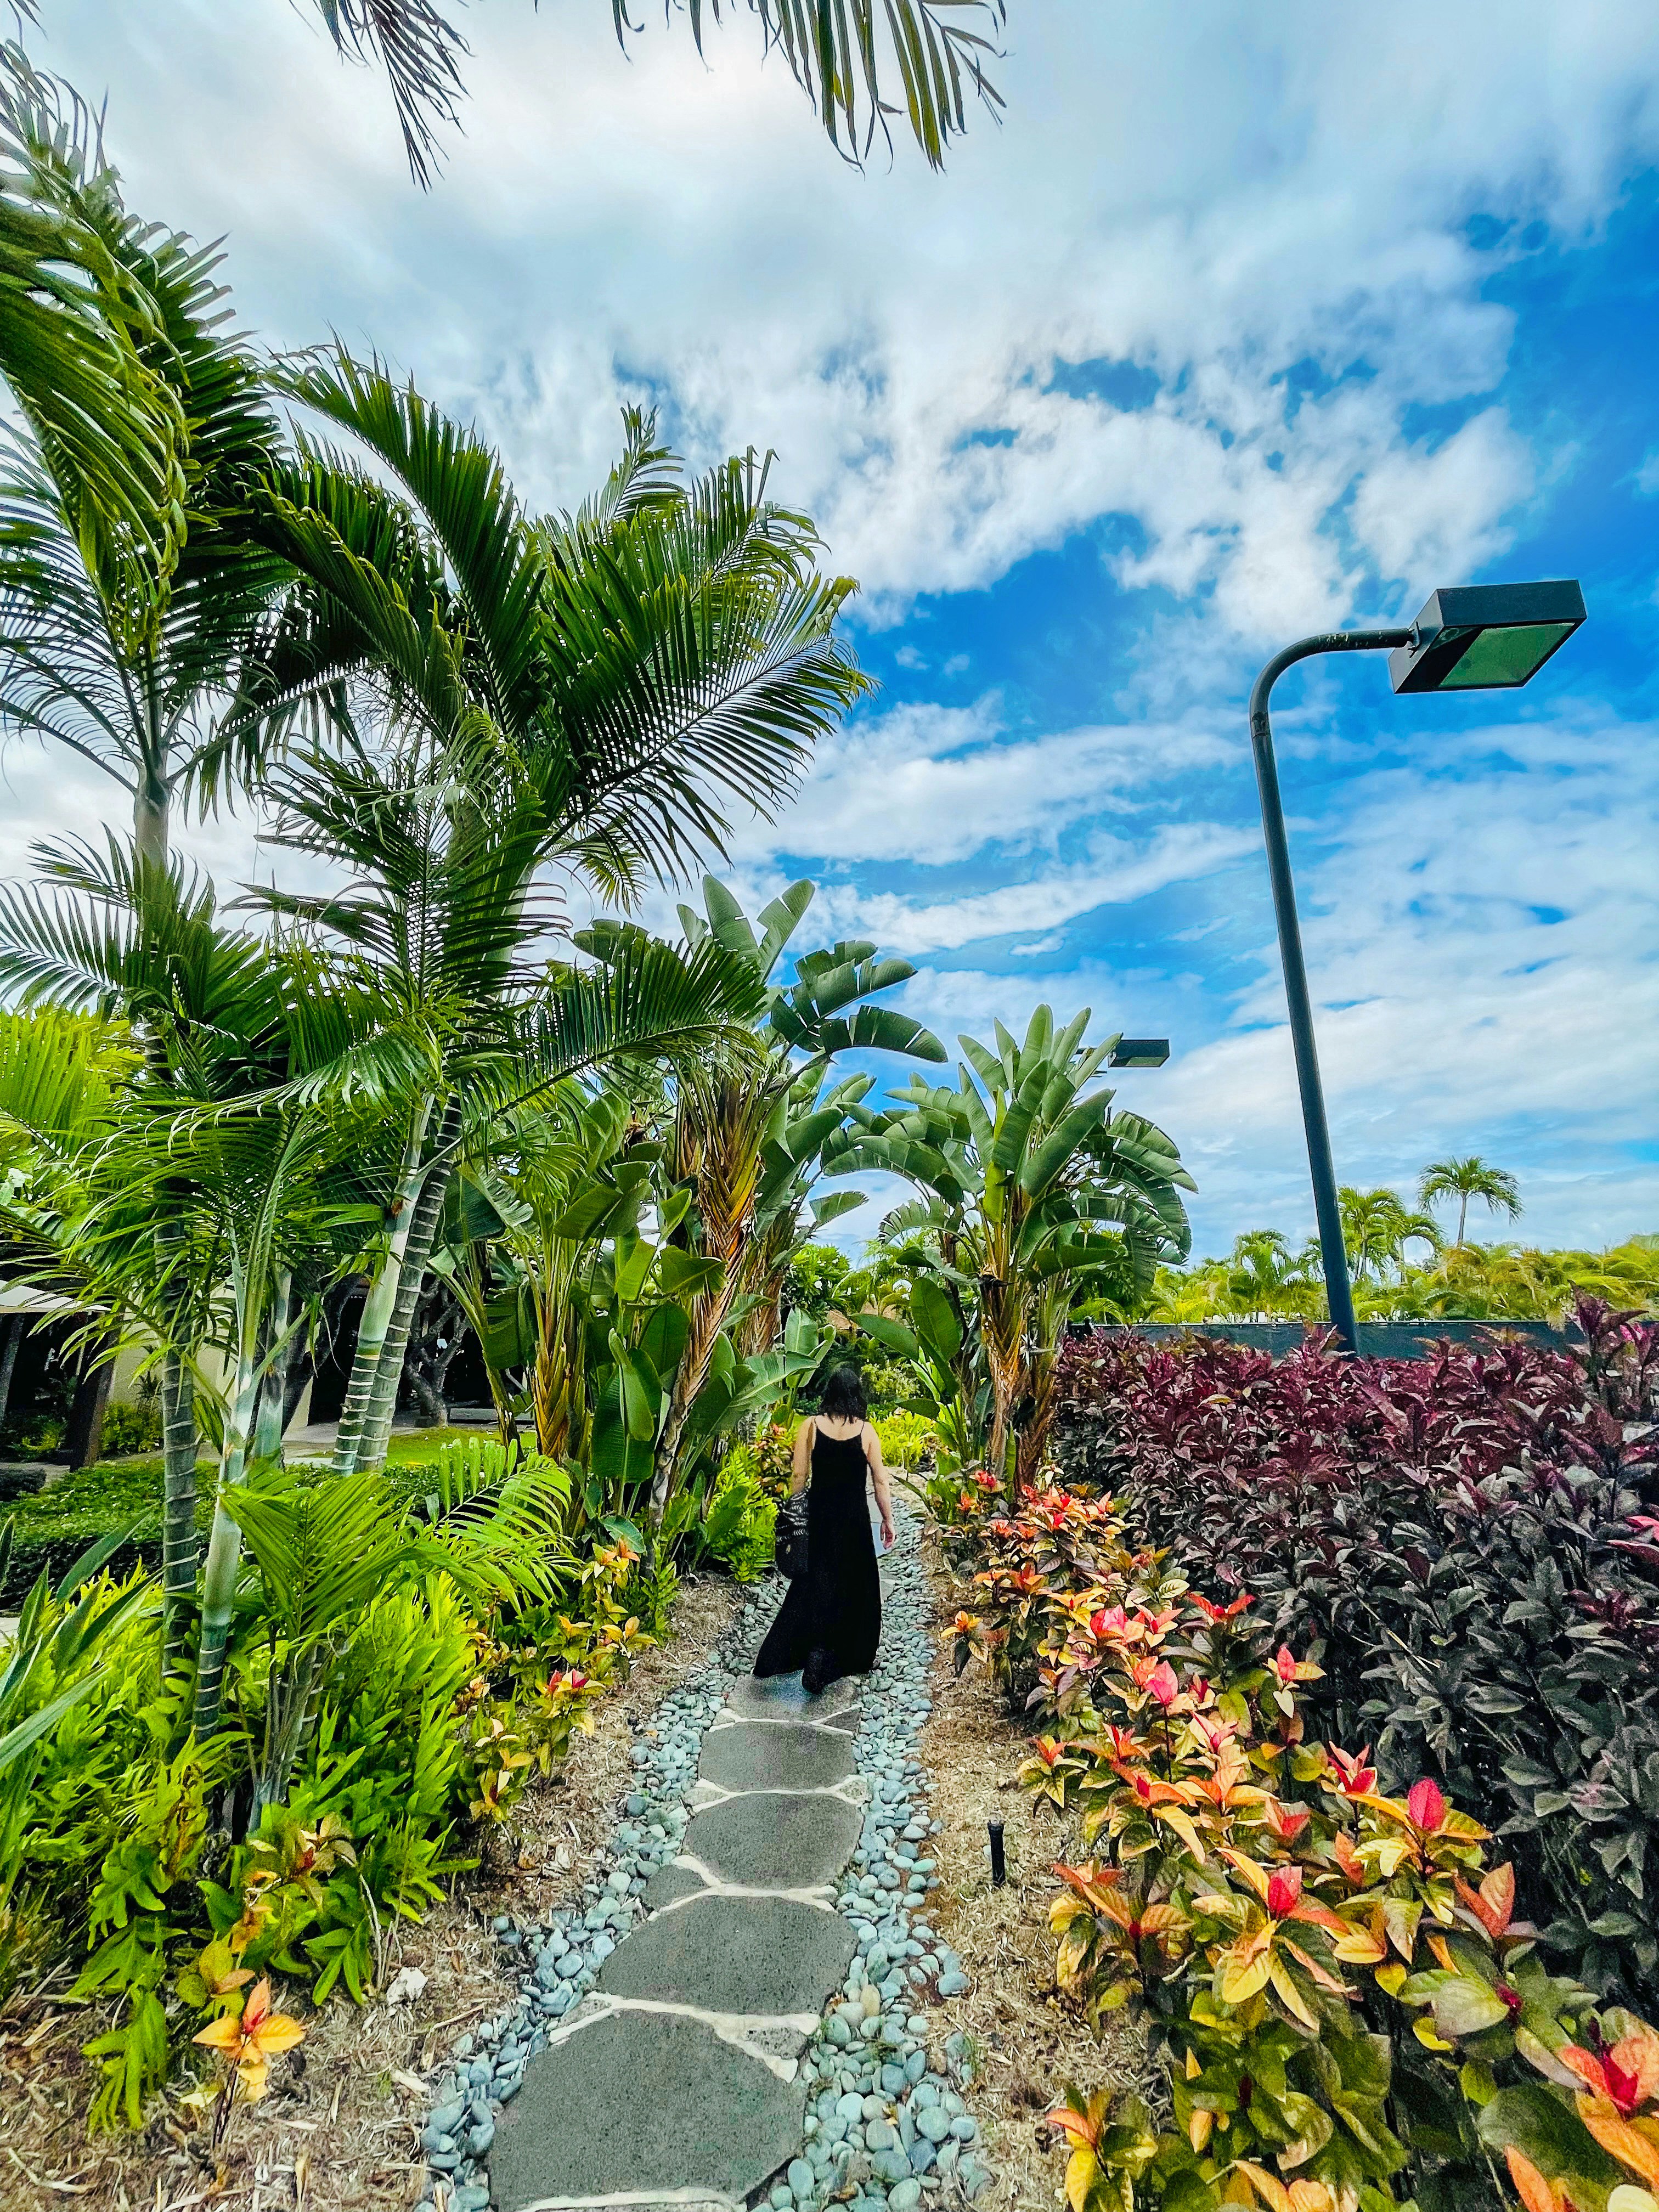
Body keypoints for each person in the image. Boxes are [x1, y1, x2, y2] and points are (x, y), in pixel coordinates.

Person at [752, 1364, 895, 1695]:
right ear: (857, 1396)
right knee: (855, 1585)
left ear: (829, 1393)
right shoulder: (867, 1432)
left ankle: (801, 1651)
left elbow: (798, 1478)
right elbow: (880, 1482)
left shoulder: (810, 1427)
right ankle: (839, 1657)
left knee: (814, 1583)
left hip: (819, 1517)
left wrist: (794, 1517)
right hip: (854, 1521)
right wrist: (887, 1520)